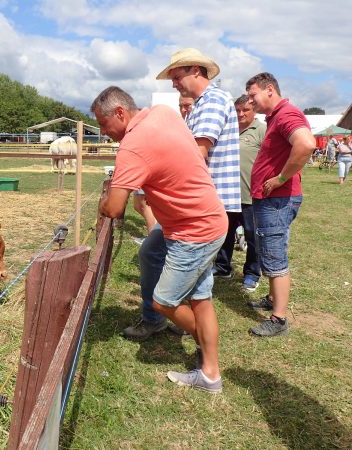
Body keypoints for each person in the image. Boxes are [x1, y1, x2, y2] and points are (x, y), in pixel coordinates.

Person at [93, 86, 227, 392]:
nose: (103, 132)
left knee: (165, 301)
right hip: (206, 218)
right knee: (198, 296)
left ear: (120, 113)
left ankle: (206, 353)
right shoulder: (164, 114)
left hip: (193, 231)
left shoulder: (131, 146)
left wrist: (103, 203)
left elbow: (114, 208)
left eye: (104, 124)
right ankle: (209, 372)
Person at [156, 48, 241, 275]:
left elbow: (196, 152)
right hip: (205, 196)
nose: (174, 84)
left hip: (207, 198)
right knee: (195, 269)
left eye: (176, 77)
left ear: (195, 71)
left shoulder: (212, 100)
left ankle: (172, 302)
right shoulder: (202, 102)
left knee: (189, 267)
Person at [245, 72, 315, 337]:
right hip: (272, 199)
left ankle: (278, 319)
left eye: (253, 96)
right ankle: (274, 299)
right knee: (269, 249)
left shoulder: (286, 115)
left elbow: (306, 144)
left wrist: (281, 178)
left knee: (274, 255)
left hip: (277, 200)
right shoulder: (277, 117)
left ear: (270, 89)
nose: (251, 102)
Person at [213, 94, 266, 291]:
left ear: (254, 111)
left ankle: (252, 274)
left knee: (253, 237)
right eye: (238, 110)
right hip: (227, 194)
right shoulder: (229, 128)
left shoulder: (262, 130)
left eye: (246, 110)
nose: (241, 114)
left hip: (250, 195)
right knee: (224, 234)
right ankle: (222, 266)